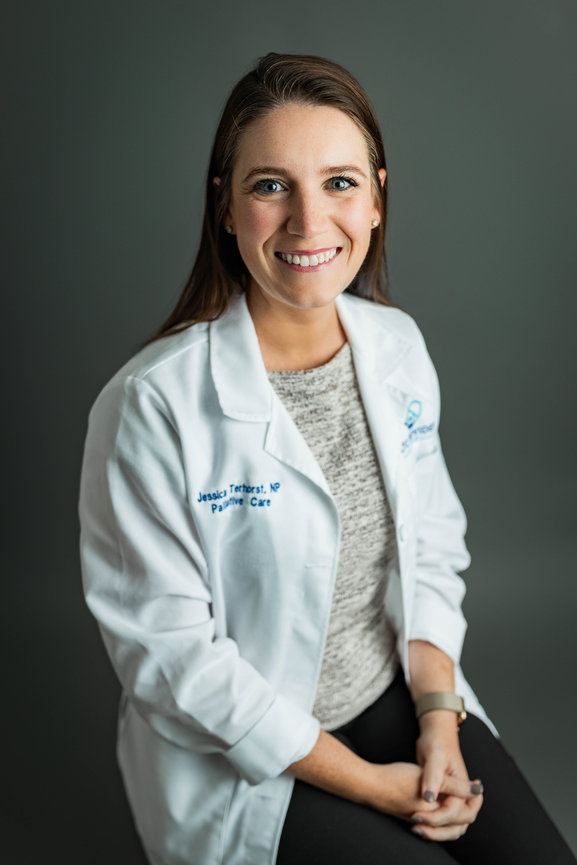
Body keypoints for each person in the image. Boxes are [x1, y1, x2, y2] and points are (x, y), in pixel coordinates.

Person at [78, 52, 575, 865]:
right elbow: (173, 660)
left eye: (339, 183)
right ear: (227, 207)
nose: (309, 223)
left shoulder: (395, 347)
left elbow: (428, 551)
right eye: (271, 185)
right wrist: (374, 785)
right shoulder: (153, 404)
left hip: (391, 697)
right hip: (243, 757)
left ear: (377, 197)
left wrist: (439, 722)